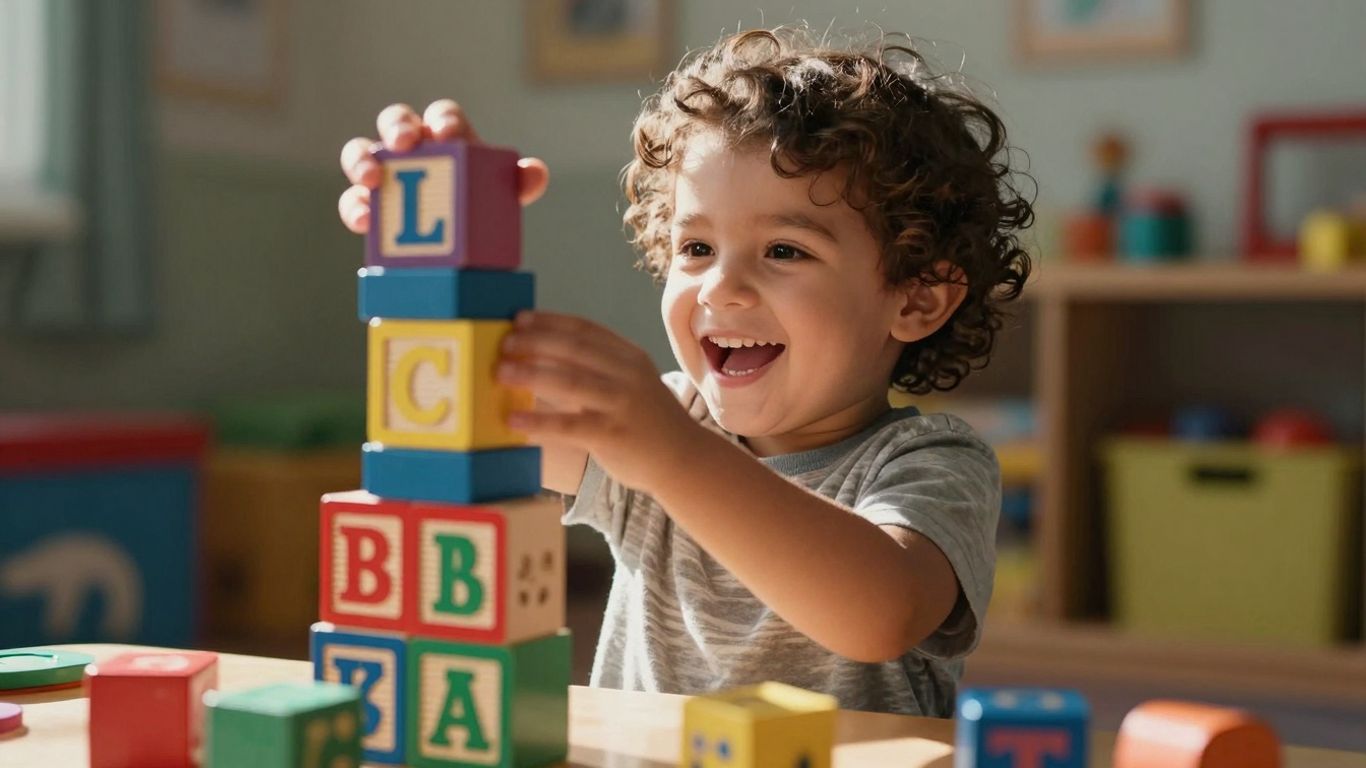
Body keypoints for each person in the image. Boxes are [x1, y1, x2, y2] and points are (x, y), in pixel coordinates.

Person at [337, 27, 1032, 716]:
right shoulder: (657, 424)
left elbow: (879, 615)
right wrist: (433, 245)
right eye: (696, 246)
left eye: (785, 251)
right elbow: (457, 410)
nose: (720, 289)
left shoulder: (932, 461)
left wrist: (670, 454)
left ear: (916, 298)